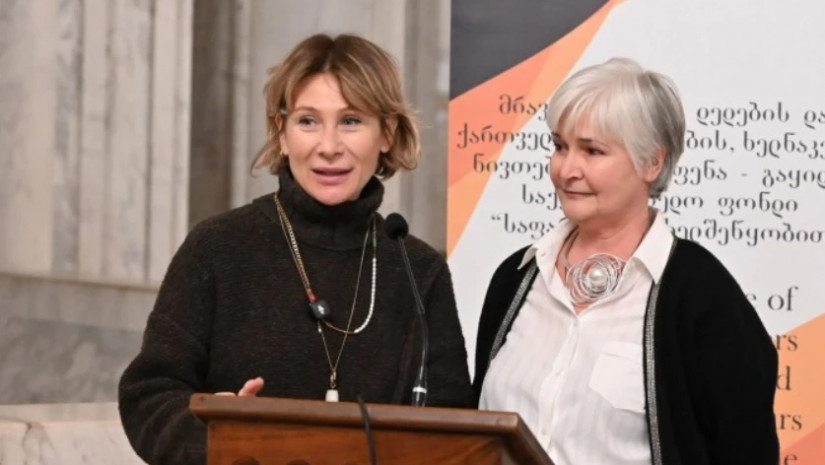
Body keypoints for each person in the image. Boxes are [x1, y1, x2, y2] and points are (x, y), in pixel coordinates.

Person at [119, 33, 473, 465]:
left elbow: (454, 430)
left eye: (351, 121)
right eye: (308, 121)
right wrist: (218, 436)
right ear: (281, 134)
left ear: (387, 133)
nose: (329, 146)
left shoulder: (418, 271)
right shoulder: (217, 247)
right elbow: (149, 394)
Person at [473, 58, 778, 465]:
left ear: (652, 162)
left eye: (592, 151)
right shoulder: (516, 277)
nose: (567, 169)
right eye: (560, 146)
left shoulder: (704, 296)